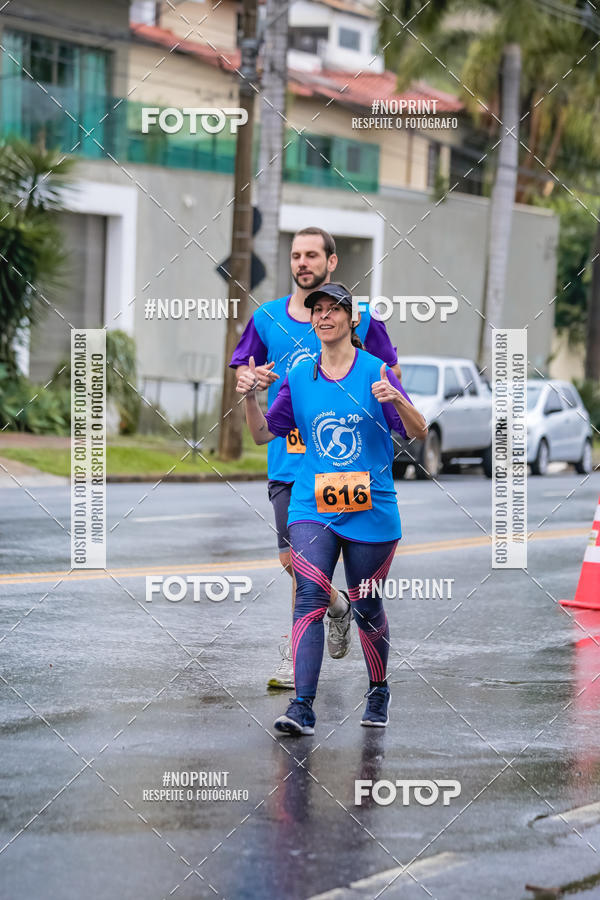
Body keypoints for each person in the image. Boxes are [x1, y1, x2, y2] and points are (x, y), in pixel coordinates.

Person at [237, 283, 427, 735]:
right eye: (317, 309)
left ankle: (378, 689)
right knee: (309, 596)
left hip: (371, 508)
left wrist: (398, 399)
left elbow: (417, 431)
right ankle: (302, 707)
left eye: (333, 310)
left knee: (366, 606)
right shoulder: (300, 374)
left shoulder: (377, 371)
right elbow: (264, 434)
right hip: (312, 503)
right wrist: (248, 396)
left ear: (351, 321)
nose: (323, 316)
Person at [230, 227, 401, 689]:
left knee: (313, 571)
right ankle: (338, 607)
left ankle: (297, 658)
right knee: (292, 562)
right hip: (289, 462)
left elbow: (391, 371)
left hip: (347, 465)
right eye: (295, 255)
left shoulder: (359, 317)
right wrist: (253, 383)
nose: (302, 263)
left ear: (331, 262)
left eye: (311, 255)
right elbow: (244, 371)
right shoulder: (266, 318)